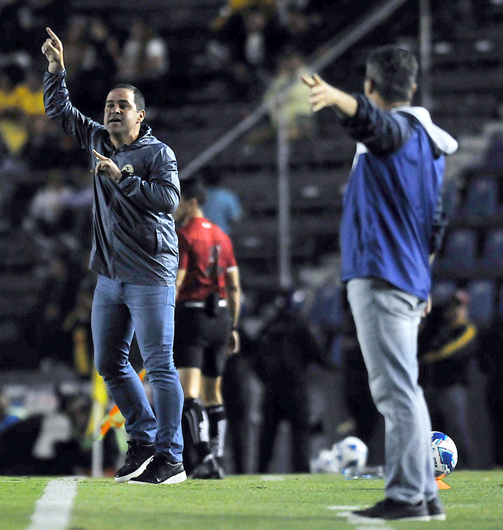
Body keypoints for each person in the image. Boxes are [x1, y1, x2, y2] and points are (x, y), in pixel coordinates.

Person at [303, 45, 457, 522]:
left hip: (383, 273)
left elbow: (376, 126)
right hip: (406, 276)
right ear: (411, 85)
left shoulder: (398, 131)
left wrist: (337, 99)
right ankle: (424, 496)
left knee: (396, 393)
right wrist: (424, 277)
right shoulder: (430, 142)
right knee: (404, 389)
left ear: (370, 87)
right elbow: (436, 222)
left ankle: (407, 496)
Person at [41, 27, 186, 484]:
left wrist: (122, 176)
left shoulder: (159, 153)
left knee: (159, 365)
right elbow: (60, 111)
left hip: (150, 273)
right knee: (108, 362)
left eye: (123, 105)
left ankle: (172, 456)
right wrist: (56, 70)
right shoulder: (98, 139)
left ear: (141, 115)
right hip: (110, 276)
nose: (113, 111)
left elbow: (168, 201)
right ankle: (143, 442)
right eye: (109, 105)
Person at [173, 177, 241, 479]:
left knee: (189, 394)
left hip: (193, 316)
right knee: (214, 393)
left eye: (177, 200)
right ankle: (217, 455)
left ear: (191, 202)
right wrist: (234, 328)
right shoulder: (221, 236)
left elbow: (177, 280)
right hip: (222, 318)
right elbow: (235, 286)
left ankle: (201, 457)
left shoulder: (184, 235)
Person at [252, 291, 330, 473]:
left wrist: (266, 379)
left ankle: (260, 471)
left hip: (272, 388)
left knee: (267, 435)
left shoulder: (268, 328)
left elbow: (255, 359)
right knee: (300, 433)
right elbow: (319, 357)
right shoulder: (301, 327)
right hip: (296, 388)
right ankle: (301, 471)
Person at [418, 289, 477, 468]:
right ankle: (433, 468)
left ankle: (467, 467)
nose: (454, 311)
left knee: (457, 429)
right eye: (452, 307)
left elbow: (449, 352)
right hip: (433, 385)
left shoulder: (466, 329)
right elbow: (421, 345)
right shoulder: (439, 328)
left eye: (458, 307)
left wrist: (430, 357)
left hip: (454, 386)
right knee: (432, 431)